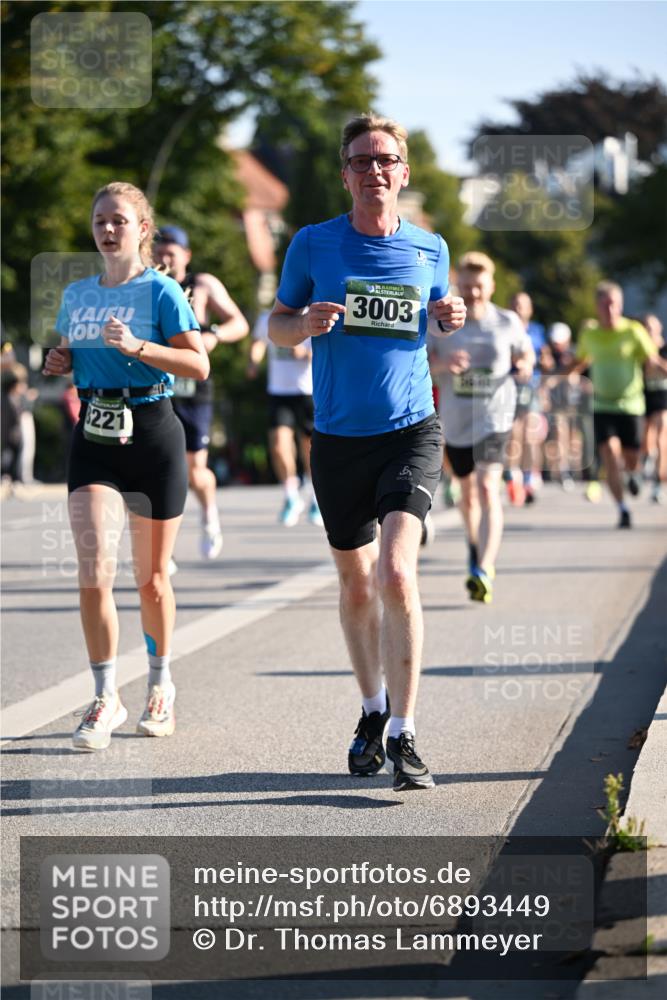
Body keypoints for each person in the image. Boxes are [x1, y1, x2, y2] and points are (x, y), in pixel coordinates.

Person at [269, 113, 465, 791]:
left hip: (411, 430)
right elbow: (274, 327)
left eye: (385, 160)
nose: (374, 171)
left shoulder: (428, 247)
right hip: (337, 441)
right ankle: (371, 711)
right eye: (360, 161)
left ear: (402, 172)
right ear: (346, 173)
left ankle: (407, 733)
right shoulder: (312, 243)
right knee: (355, 585)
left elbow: (442, 310)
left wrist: (451, 316)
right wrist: (302, 324)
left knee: (396, 575)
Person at [43, 181, 207, 750]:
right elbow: (72, 357)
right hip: (95, 434)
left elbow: (198, 364)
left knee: (153, 580)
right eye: (99, 221)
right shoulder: (77, 297)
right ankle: (104, 695)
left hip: (153, 433)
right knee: (94, 573)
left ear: (143, 230)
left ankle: (160, 686)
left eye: (119, 220)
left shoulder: (162, 292)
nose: (108, 230)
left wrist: (139, 347)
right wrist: (61, 360)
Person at [429, 252, 534, 604]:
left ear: (490, 286)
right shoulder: (444, 322)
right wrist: (443, 362)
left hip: (496, 417)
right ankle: (474, 547)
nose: (473, 293)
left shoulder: (507, 322)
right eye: (467, 286)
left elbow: (527, 354)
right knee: (467, 492)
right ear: (458, 284)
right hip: (456, 420)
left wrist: (523, 366)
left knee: (488, 487)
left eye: (479, 286)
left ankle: (484, 569)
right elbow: (422, 362)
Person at [153, 225, 249, 559]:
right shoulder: (147, 283)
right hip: (155, 383)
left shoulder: (202, 285)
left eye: (171, 248)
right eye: (158, 247)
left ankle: (209, 515)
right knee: (156, 466)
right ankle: (163, 550)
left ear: (186, 254)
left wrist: (216, 335)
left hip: (192, 386)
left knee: (194, 470)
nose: (164, 253)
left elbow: (240, 323)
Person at [569, 282, 666, 528]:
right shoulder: (589, 334)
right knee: (610, 454)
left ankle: (633, 474)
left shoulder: (633, 331)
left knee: (631, 456)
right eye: (605, 304)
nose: (610, 309)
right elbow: (579, 362)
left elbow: (652, 360)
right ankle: (622, 509)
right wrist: (560, 378)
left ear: (620, 306)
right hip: (601, 405)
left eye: (614, 304)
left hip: (631, 405)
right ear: (597, 306)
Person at [247, 310, 322, 526]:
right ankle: (291, 495)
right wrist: (253, 361)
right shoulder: (268, 317)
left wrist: (305, 355)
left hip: (307, 390)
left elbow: (327, 351)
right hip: (279, 392)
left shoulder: (312, 314)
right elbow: (258, 341)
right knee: (279, 445)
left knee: (308, 448)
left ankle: (316, 496)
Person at [506, 292, 547, 504]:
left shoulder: (537, 331)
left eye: (522, 305)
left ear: (529, 309)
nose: (517, 308)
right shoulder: (503, 327)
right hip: (507, 387)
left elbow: (545, 357)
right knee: (514, 433)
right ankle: (514, 475)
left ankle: (530, 476)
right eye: (514, 304)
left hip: (531, 387)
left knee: (531, 434)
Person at [641, 313, 667, 503]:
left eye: (653, 327)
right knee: (645, 438)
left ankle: (658, 482)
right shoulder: (639, 349)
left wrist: (657, 361)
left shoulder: (663, 349)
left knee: (662, 436)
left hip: (662, 396)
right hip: (643, 395)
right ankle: (647, 460)